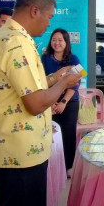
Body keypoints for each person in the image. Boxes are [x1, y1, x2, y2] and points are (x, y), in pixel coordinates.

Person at [0, 0, 81, 206]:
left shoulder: (12, 37)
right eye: (49, 17)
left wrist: (54, 78)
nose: (49, 23)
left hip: (20, 151)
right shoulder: (16, 42)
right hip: (20, 156)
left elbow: (27, 88)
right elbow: (36, 103)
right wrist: (65, 83)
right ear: (35, 11)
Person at [41, 28, 81, 176]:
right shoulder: (44, 59)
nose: (57, 43)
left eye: (60, 40)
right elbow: (41, 83)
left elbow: (76, 84)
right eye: (54, 40)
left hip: (69, 102)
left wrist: (63, 101)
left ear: (66, 42)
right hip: (49, 101)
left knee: (68, 134)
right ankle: (52, 166)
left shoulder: (74, 59)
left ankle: (68, 166)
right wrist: (50, 103)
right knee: (50, 134)